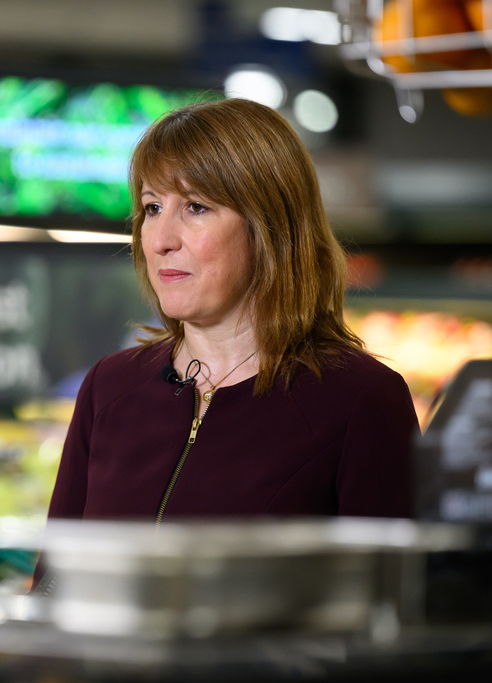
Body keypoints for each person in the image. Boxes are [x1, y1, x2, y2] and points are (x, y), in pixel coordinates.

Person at [34, 97, 418, 590]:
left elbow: (392, 612)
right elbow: (52, 587)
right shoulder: (110, 386)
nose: (160, 239)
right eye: (152, 208)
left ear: (270, 227)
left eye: (195, 207)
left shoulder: (360, 399)